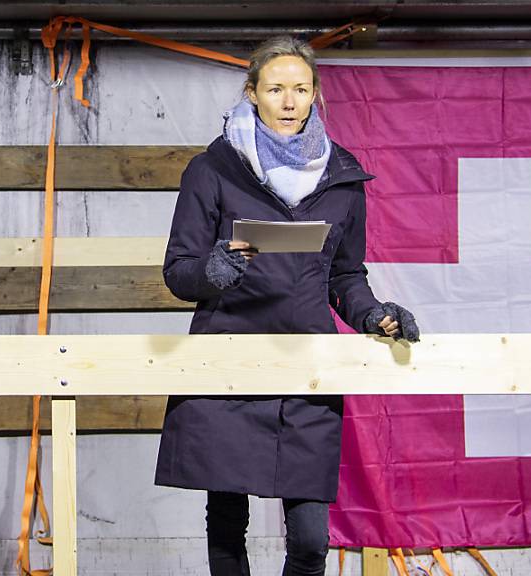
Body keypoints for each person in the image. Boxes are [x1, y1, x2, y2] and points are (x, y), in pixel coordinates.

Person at [154, 36, 420, 576]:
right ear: (253, 94)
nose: (289, 100)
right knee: (227, 526)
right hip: (226, 362)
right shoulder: (213, 170)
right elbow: (178, 272)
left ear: (315, 94)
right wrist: (215, 269)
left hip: (308, 373)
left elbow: (345, 275)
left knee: (309, 542)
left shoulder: (342, 177)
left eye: (300, 88)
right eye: (276, 88)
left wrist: (373, 315)